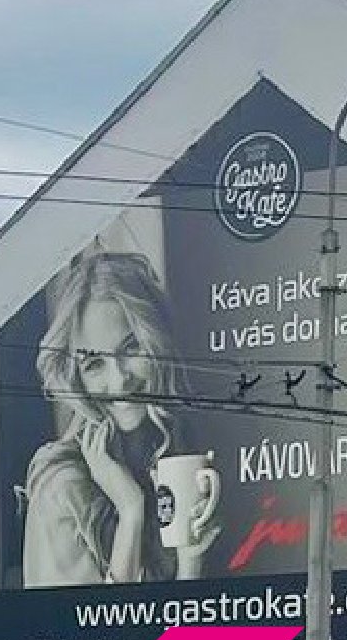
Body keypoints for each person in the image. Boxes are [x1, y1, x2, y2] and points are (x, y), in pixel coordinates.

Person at [19, 246, 221, 589]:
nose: (120, 381)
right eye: (94, 364)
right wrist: (130, 510)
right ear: (76, 379)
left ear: (156, 341)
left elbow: (180, 625)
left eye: (131, 348)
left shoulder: (172, 450)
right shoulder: (62, 488)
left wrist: (191, 564)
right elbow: (88, 627)